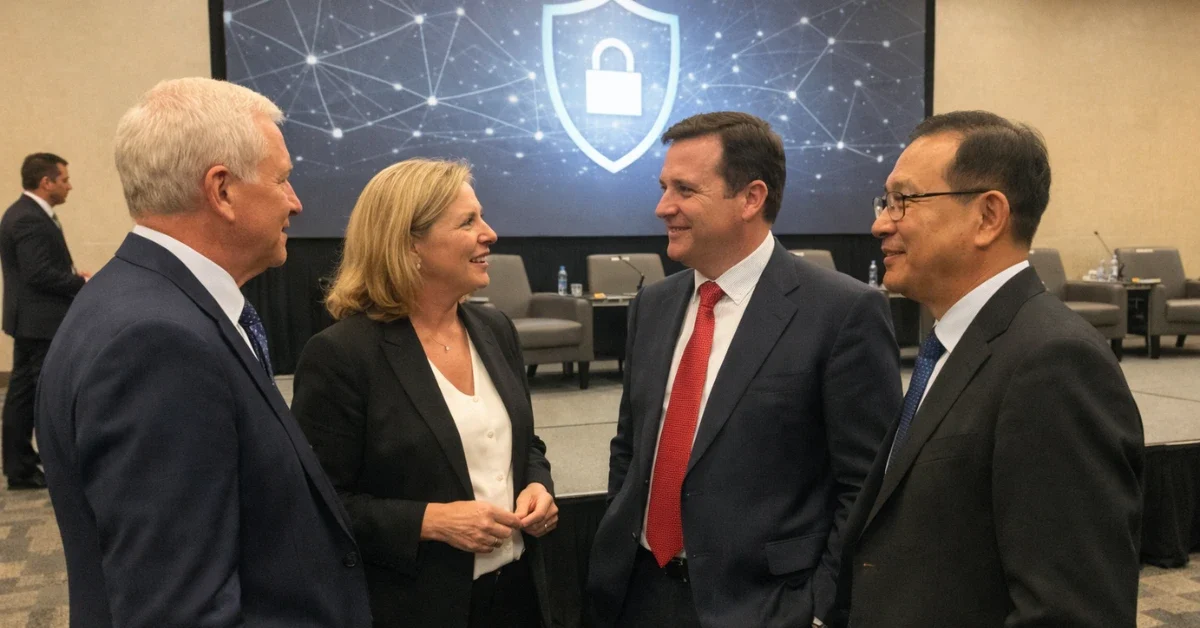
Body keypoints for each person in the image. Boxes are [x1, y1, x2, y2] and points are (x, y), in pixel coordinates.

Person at [35, 78, 371, 627]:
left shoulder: (137, 300)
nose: (296, 201)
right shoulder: (155, 344)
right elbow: (176, 608)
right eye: (283, 179)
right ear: (221, 190)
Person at [587, 111, 903, 628]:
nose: (662, 206)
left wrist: (821, 609)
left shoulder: (842, 312)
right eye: (664, 187)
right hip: (635, 594)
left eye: (684, 190)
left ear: (751, 199)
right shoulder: (654, 306)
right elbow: (630, 447)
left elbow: (865, 487)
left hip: (764, 607)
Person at [836, 111, 1144, 627]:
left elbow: (1072, 610)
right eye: (884, 201)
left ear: (987, 216)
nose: (880, 223)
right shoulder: (953, 345)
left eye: (903, 201)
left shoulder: (1054, 363)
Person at [291, 158, 558, 628]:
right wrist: (430, 521)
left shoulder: (495, 330)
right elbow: (317, 503)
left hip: (519, 595)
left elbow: (524, 444)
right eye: (468, 221)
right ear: (411, 243)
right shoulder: (341, 354)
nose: (490, 233)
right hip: (418, 606)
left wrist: (537, 484)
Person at [0, 153, 88, 489]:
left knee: (24, 392)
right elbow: (37, 274)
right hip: (38, 322)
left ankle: (21, 462)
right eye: (63, 179)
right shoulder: (28, 218)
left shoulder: (31, 214)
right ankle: (21, 468)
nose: (69, 185)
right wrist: (79, 282)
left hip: (35, 320)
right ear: (45, 182)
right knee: (31, 395)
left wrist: (70, 274)